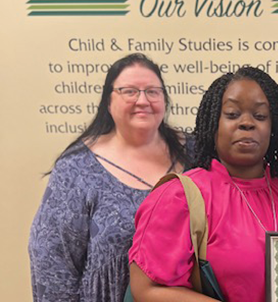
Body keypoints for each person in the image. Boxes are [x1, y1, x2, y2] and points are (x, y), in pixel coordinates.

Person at [128, 66, 278, 302]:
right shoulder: (180, 195)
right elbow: (146, 289)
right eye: (232, 114)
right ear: (213, 124)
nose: (247, 123)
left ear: (273, 127)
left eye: (260, 116)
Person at [29, 53, 192, 301]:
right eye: (129, 91)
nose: (142, 100)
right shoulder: (77, 170)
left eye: (152, 91)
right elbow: (51, 262)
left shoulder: (196, 154)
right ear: (108, 101)